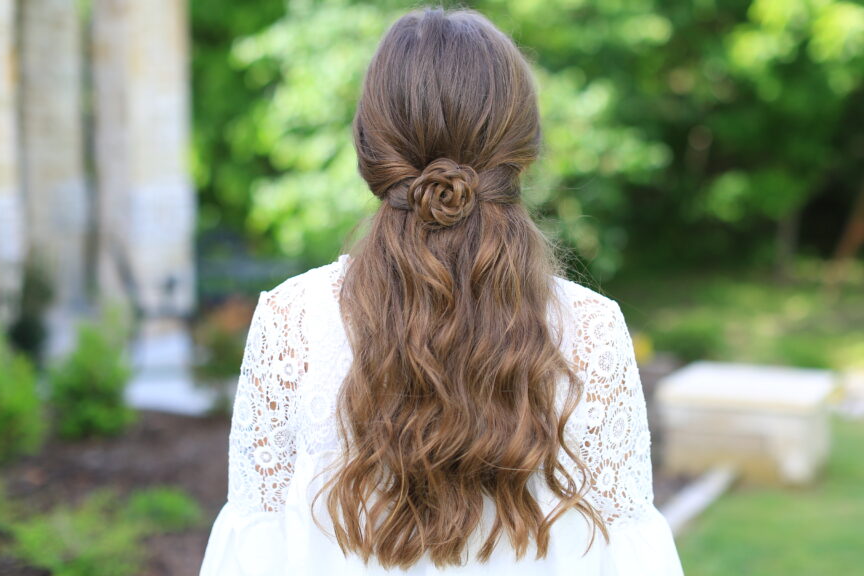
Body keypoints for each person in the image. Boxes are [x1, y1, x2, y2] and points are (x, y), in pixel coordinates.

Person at [200, 7, 683, 575]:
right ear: (522, 152)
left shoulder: (293, 322)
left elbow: (256, 553)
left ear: (368, 149)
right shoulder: (591, 330)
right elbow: (627, 557)